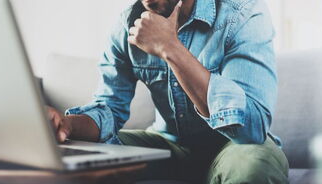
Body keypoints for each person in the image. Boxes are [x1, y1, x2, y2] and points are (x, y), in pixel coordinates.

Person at [47, 0, 289, 183]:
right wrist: (68, 124)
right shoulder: (127, 24)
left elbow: (253, 128)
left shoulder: (242, 14)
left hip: (233, 145)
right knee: (79, 156)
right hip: (167, 144)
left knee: (254, 163)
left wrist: (170, 48)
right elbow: (109, 107)